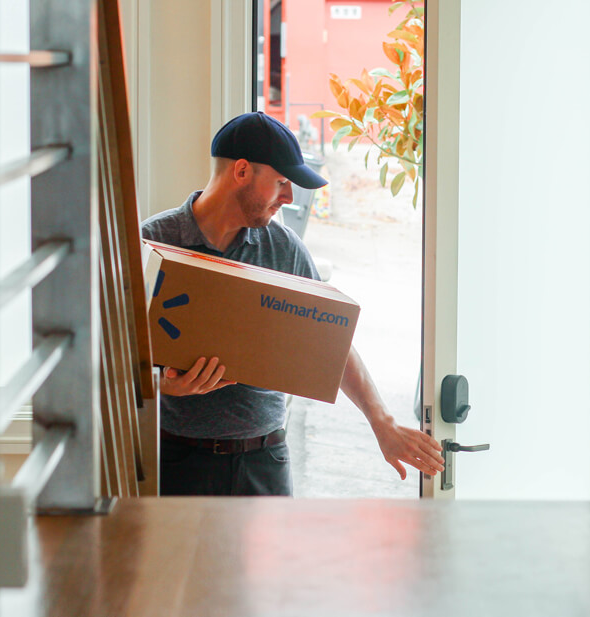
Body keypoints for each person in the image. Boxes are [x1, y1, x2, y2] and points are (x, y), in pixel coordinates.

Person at [141, 111, 444, 496]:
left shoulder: (283, 248)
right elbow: (109, 355)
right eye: (282, 182)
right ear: (242, 171)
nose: (288, 198)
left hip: (264, 462)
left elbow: (331, 342)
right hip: (176, 462)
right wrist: (164, 387)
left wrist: (382, 425)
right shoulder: (153, 241)